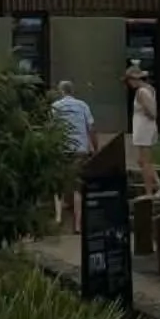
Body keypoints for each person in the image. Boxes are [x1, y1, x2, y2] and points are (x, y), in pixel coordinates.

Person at [50, 80, 97, 234]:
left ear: (60, 91)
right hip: (80, 148)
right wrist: (94, 146)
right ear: (73, 91)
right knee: (77, 187)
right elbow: (91, 128)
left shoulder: (55, 106)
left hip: (61, 148)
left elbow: (51, 128)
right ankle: (77, 224)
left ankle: (58, 218)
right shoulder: (83, 105)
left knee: (58, 183)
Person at [125, 64, 160, 199]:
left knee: (145, 162)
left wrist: (147, 111)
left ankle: (149, 192)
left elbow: (152, 112)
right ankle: (159, 186)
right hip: (144, 128)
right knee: (142, 161)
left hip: (144, 128)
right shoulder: (148, 89)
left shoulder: (142, 92)